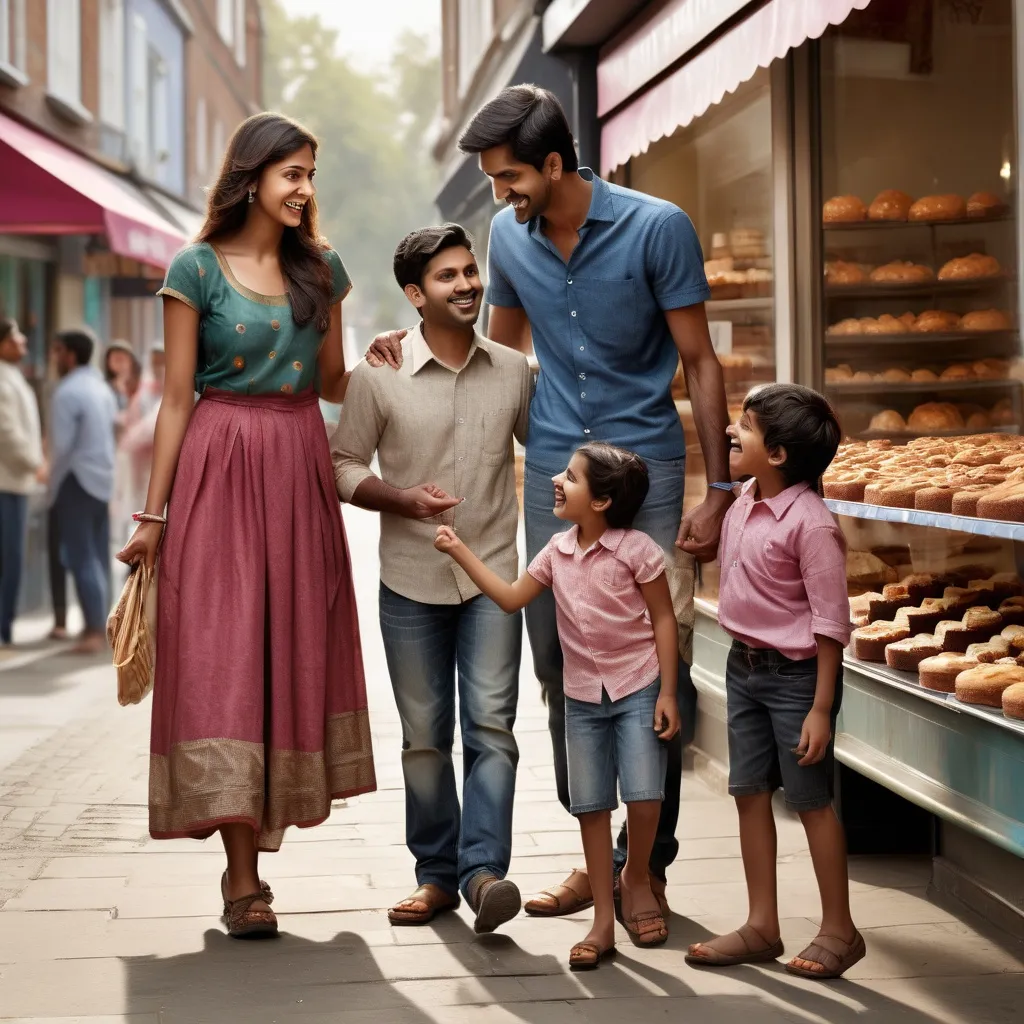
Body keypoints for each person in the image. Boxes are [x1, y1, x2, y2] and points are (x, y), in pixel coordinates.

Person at [368, 84, 732, 926]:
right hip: (554, 484)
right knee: (563, 670)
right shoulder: (509, 237)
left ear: (557, 163)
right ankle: (595, 865)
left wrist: (720, 491)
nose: (500, 195)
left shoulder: (657, 227)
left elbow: (701, 362)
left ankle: (645, 870)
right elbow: (492, 352)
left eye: (508, 178)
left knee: (651, 670)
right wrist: (405, 335)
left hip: (648, 478)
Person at [117, 111, 376, 939]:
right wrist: (153, 515)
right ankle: (242, 879)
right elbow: (176, 397)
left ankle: (263, 841)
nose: (304, 189)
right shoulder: (194, 268)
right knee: (226, 657)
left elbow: (334, 383)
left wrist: (387, 359)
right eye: (291, 173)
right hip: (218, 471)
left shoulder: (322, 269)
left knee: (290, 651)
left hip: (300, 472)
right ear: (251, 176)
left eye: (310, 174)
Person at [331, 224, 531, 933]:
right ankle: (435, 875)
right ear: (416, 295)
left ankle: (483, 874)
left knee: (492, 727)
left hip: (494, 581)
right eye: (447, 277)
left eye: (470, 271)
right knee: (423, 736)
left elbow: (554, 453)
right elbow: (343, 464)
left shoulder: (513, 370)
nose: (468, 285)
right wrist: (401, 497)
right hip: (409, 581)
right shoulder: (377, 375)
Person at [435, 441, 680, 969]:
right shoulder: (555, 551)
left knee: (644, 796)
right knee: (590, 805)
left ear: (601, 502)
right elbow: (508, 597)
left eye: (570, 477)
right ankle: (602, 924)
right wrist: (459, 550)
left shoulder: (638, 551)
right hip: (583, 697)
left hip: (637, 685)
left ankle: (634, 876)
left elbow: (663, 617)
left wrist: (667, 691)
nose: (556, 481)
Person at [685, 383, 863, 979]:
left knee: (812, 803)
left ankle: (840, 929)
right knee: (748, 795)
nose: (732, 431)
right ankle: (762, 925)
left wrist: (820, 707)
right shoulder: (741, 500)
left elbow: (831, 624)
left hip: (796, 680)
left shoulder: (811, 526)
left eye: (746, 426)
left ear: (780, 454)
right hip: (744, 670)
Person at [49, 328, 118, 655]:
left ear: (70, 355)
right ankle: (102, 624)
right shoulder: (101, 388)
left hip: (76, 480)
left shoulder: (67, 392)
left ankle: (93, 628)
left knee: (82, 557)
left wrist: (50, 482)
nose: (54, 358)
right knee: (97, 556)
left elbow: (61, 448)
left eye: (58, 351)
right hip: (102, 481)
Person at [0, 318, 43, 646]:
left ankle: (5, 626)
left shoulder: (11, 376)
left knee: (13, 559)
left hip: (16, 482)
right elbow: (8, 434)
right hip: (7, 483)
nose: (23, 341)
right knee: (9, 559)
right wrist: (35, 465)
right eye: (16, 336)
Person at [104, 341, 141, 413]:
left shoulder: (141, 383)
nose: (120, 364)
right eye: (116, 359)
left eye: (122, 359)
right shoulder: (106, 387)